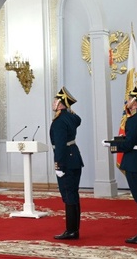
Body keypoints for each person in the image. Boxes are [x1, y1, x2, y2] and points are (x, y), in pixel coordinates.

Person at [106, 82, 137, 244]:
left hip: (135, 162)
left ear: (136, 101)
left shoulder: (133, 120)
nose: (128, 101)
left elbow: (129, 144)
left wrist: (112, 145)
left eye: (131, 98)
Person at [50, 87, 83, 240]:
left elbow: (61, 145)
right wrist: (69, 110)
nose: (53, 103)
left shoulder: (59, 121)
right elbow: (78, 120)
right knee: (74, 194)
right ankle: (74, 229)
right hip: (75, 158)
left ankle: (71, 231)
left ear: (62, 104)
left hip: (66, 162)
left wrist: (59, 165)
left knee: (68, 196)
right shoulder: (70, 117)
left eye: (56, 101)